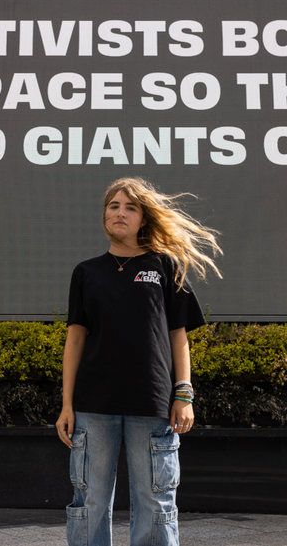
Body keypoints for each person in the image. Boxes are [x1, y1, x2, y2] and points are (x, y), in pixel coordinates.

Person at [56, 177, 222, 546]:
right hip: (93, 405)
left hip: (153, 402)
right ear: (104, 216)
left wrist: (185, 394)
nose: (120, 213)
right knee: (90, 500)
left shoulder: (166, 266)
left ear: (143, 219)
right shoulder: (86, 272)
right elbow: (75, 338)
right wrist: (67, 405)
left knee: (155, 501)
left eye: (130, 207)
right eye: (113, 206)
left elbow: (178, 335)